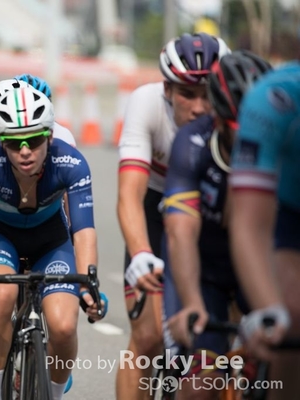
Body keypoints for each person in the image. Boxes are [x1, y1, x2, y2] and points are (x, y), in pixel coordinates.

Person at [0, 85, 105, 400]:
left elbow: (83, 231)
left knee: (63, 326)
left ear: (50, 137)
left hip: (50, 241)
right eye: (14, 143)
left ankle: (53, 394)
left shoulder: (71, 162)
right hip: (1, 237)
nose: (25, 151)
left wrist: (88, 284)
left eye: (35, 140)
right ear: (1, 141)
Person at [115, 32, 229, 399]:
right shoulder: (146, 103)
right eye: (187, 94)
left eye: (207, 94)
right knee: (148, 337)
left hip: (207, 216)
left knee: (226, 344)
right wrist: (140, 253)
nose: (199, 107)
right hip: (154, 211)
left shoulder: (232, 112)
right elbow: (129, 195)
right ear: (167, 89)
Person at [161, 51, 271, 399]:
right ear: (220, 121)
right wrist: (192, 303)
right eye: (244, 130)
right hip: (203, 270)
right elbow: (180, 232)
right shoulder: (192, 144)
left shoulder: (285, 144)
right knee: (200, 386)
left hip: (262, 264)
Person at [230, 60, 300, 400]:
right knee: (294, 313)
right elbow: (249, 224)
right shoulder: (275, 98)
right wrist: (269, 308)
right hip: (290, 218)